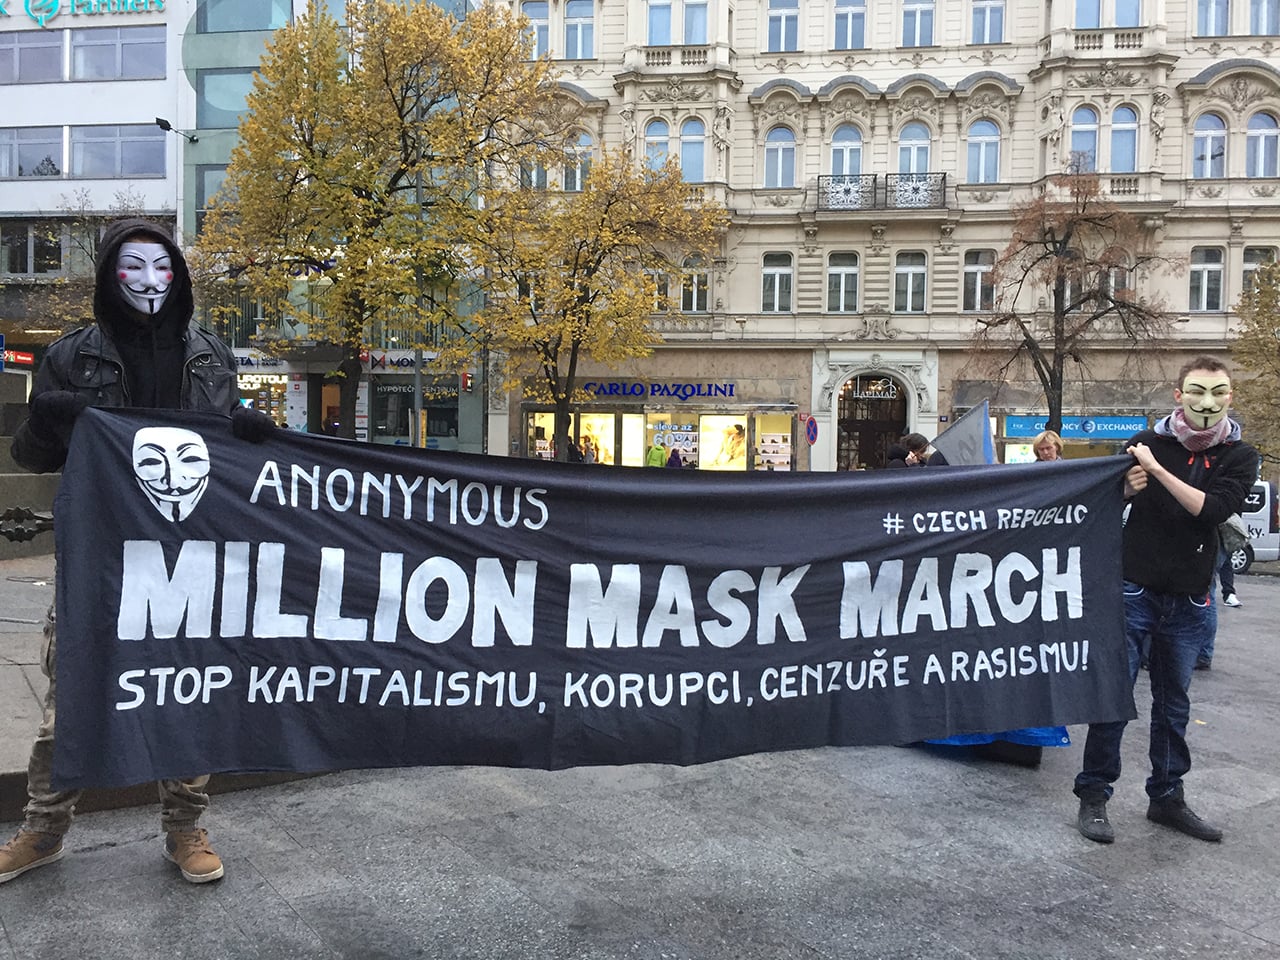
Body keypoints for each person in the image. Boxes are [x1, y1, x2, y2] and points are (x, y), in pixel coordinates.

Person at [0, 218, 274, 886]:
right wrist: (44, 421)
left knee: (187, 692)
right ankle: (42, 829)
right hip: (99, 554)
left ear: (179, 276)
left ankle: (185, 828)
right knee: (73, 694)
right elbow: (29, 456)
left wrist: (251, 435)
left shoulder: (211, 355)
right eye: (133, 266)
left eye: (163, 267)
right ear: (107, 276)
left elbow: (223, 457)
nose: (151, 280)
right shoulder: (69, 355)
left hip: (185, 556)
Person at [1073, 356, 1257, 845]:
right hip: (1134, 590)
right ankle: (1094, 795)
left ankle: (1167, 797)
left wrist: (1153, 470)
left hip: (1190, 599)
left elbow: (1211, 510)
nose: (1207, 403)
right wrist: (1127, 488)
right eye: (1197, 391)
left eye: (1219, 393)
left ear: (1230, 397)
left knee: (1173, 704)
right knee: (1114, 698)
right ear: (1179, 394)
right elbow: (1102, 504)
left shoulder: (1239, 455)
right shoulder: (1144, 443)